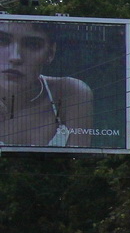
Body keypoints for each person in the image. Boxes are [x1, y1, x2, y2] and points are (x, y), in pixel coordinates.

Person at [0, 19, 94, 147]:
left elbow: (79, 161)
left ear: (50, 53)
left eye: (32, 44)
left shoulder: (70, 92)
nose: (15, 57)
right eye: (2, 41)